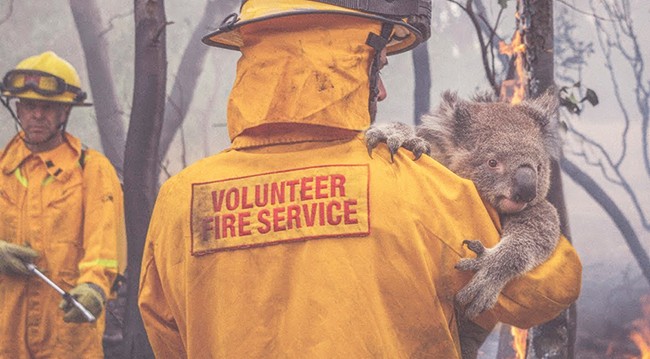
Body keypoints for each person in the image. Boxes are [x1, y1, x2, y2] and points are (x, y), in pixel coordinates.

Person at [138, 1, 582, 357]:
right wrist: (534, 219)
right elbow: (547, 290)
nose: (383, 90)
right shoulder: (417, 185)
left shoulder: (180, 199)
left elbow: (165, 332)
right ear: (342, 60)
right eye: (380, 65)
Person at [0, 51, 125, 358]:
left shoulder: (91, 170)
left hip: (68, 340)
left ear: (65, 112)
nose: (37, 115)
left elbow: (104, 247)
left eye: (48, 107)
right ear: (17, 108)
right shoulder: (3, 170)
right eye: (29, 105)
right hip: (7, 337)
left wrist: (94, 287)